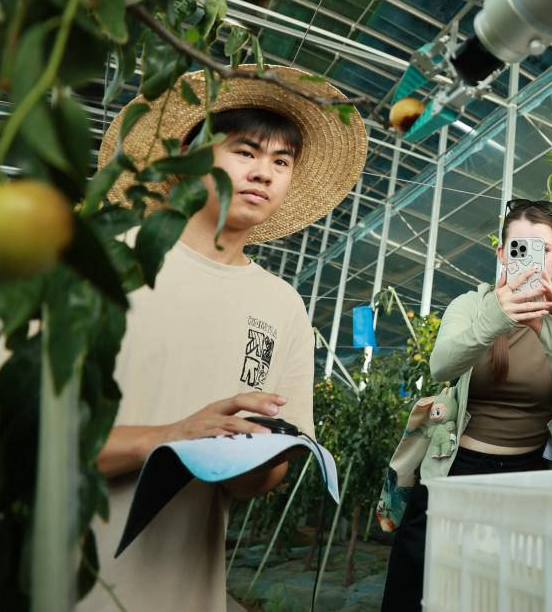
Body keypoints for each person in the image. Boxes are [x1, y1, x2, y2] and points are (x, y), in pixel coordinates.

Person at [79, 68, 368, 612]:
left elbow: (257, 481)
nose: (264, 173)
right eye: (245, 151)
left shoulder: (282, 306)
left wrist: (262, 455)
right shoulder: (108, 263)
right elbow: (20, 434)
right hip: (63, 572)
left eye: (282, 161)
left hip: (187, 587)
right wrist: (168, 438)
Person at [382, 199, 552, 612]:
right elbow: (441, 364)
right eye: (519, 248)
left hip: (529, 477)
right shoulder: (472, 305)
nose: (531, 259)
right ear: (502, 253)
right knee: (418, 588)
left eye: (542, 249)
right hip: (454, 470)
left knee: (507, 596)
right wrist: (497, 317)